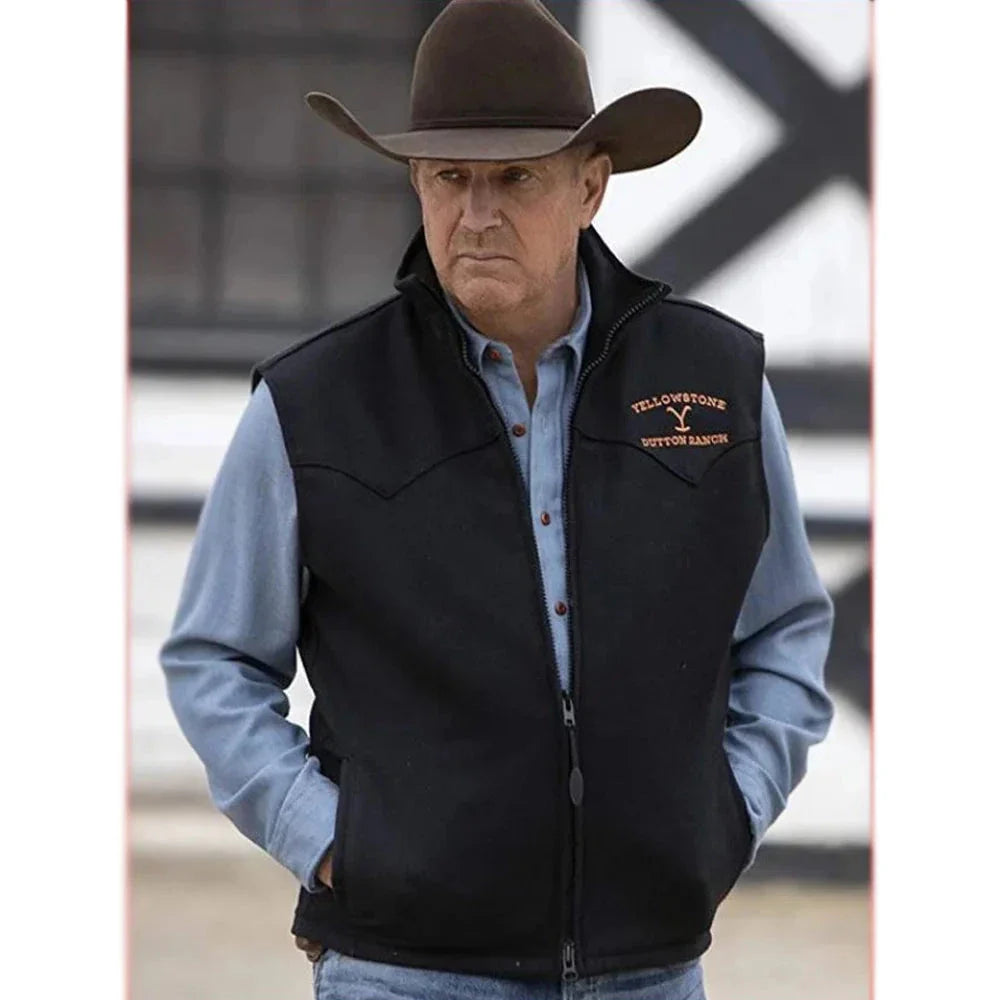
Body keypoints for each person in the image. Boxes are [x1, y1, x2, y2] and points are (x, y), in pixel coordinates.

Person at [159, 1, 835, 997]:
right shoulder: (313, 405)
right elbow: (213, 658)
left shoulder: (717, 383)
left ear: (590, 187)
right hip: (401, 971)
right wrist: (334, 843)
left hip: (648, 971)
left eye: (515, 177)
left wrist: (727, 814)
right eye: (449, 178)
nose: (476, 215)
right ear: (417, 185)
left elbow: (785, 628)